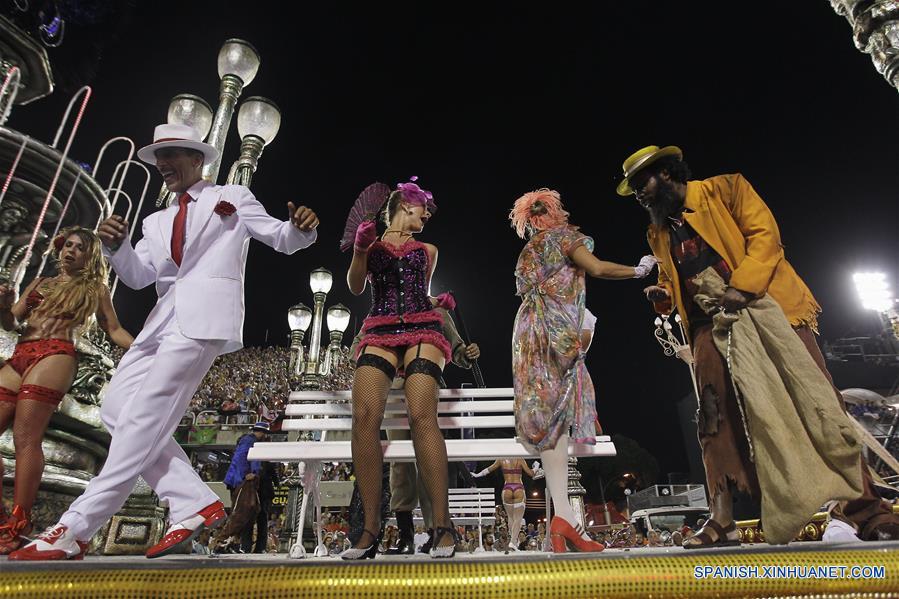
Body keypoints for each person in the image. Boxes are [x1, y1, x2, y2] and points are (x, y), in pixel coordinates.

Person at [10, 123, 319, 561]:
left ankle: (75, 528)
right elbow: (138, 276)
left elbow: (282, 238)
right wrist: (115, 248)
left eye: (170, 153)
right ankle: (192, 501)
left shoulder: (230, 198)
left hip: (203, 320)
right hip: (161, 321)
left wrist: (299, 227)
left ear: (197, 159)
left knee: (143, 418)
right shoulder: (155, 220)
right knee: (115, 408)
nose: (161, 163)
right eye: (157, 155)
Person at [617, 144, 899, 545]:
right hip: (709, 324)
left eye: (640, 182)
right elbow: (671, 275)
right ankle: (722, 520)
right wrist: (662, 293)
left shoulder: (726, 189)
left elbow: (765, 238)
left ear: (665, 173)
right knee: (712, 416)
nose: (639, 194)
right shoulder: (657, 231)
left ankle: (867, 511)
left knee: (819, 404)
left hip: (771, 308)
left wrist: (741, 287)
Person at [509, 188, 656, 553]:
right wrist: (637, 270)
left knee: (550, 420)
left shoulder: (527, 253)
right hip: (556, 328)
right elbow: (597, 267)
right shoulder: (564, 238)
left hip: (527, 332)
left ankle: (565, 521)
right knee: (558, 415)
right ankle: (567, 523)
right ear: (554, 213)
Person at [342, 177, 460, 559]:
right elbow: (357, 286)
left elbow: (415, 291)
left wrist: (436, 300)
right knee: (364, 417)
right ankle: (370, 531)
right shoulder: (372, 245)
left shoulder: (428, 249)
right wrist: (360, 249)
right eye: (423, 207)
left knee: (422, 415)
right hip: (380, 328)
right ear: (405, 206)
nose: (427, 213)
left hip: (424, 328)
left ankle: (441, 527)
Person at [0, 227, 133, 554]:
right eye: (67, 245)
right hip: (21, 351)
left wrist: (150, 350)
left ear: (89, 256)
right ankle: (5, 516)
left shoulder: (95, 288)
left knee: (26, 438)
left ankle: (19, 521)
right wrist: (4, 304)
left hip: (56, 355)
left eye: (79, 248)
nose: (70, 251)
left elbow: (113, 330)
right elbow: (10, 324)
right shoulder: (39, 283)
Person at [348, 306, 480, 555]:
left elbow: (457, 348)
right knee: (400, 465)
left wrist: (466, 353)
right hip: (393, 390)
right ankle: (405, 534)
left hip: (425, 382)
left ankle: (436, 530)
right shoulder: (382, 307)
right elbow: (359, 343)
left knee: (426, 460)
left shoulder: (438, 309)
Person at [223, 421, 275, 553]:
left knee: (245, 514)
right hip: (241, 482)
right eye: (265, 433)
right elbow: (241, 457)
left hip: (242, 481)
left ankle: (240, 545)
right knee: (242, 514)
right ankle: (229, 543)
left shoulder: (251, 441)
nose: (265, 436)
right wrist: (247, 473)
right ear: (261, 432)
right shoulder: (249, 441)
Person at [471, 458, 538, 550]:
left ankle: (513, 541)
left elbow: (488, 470)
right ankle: (513, 542)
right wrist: (536, 467)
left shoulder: (501, 459)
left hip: (507, 488)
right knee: (518, 518)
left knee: (510, 518)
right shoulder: (520, 459)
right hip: (518, 487)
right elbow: (531, 473)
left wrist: (477, 475)